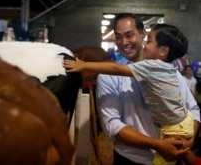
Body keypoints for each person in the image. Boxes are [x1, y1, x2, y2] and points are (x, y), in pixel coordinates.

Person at [64, 13, 200, 165]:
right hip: (130, 160)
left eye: (129, 35)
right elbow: (112, 125)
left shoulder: (171, 72)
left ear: (143, 34)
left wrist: (189, 140)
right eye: (118, 37)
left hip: (174, 154)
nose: (124, 42)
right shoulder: (108, 77)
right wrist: (158, 145)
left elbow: (193, 108)